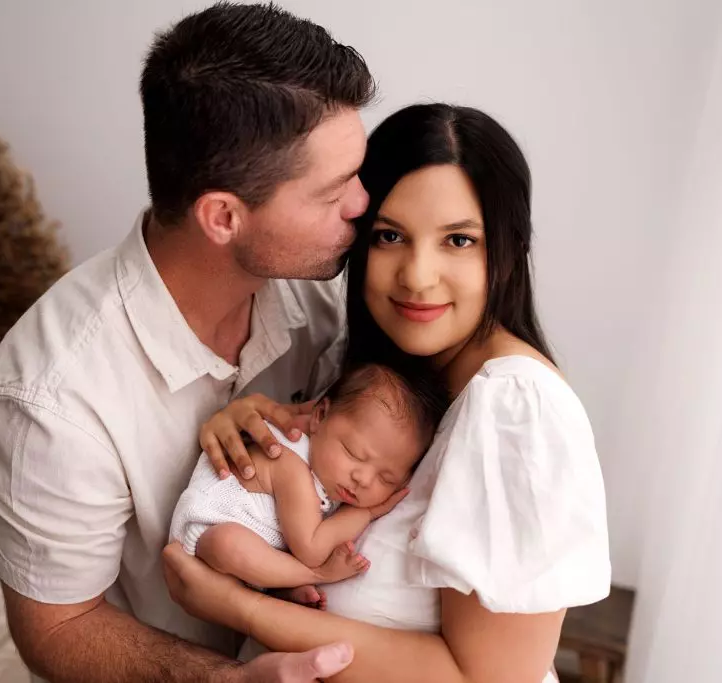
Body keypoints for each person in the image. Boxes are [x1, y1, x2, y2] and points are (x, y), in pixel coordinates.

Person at [0, 4, 378, 682]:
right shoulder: (51, 397)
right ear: (222, 216)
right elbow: (60, 627)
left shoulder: (317, 292)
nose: (363, 205)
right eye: (333, 192)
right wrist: (225, 678)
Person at [164, 103, 613, 683]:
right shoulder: (377, 366)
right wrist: (245, 423)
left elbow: (494, 678)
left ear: (507, 250)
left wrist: (240, 607)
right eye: (390, 235)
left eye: (458, 240)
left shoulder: (515, 409)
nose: (417, 276)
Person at [169, 362, 448, 597]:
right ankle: (314, 576)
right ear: (320, 415)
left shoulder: (328, 468)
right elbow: (311, 548)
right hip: (204, 537)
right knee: (227, 543)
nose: (363, 479)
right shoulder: (289, 464)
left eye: (387, 479)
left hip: (256, 552)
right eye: (353, 453)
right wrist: (367, 512)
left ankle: (283, 584)